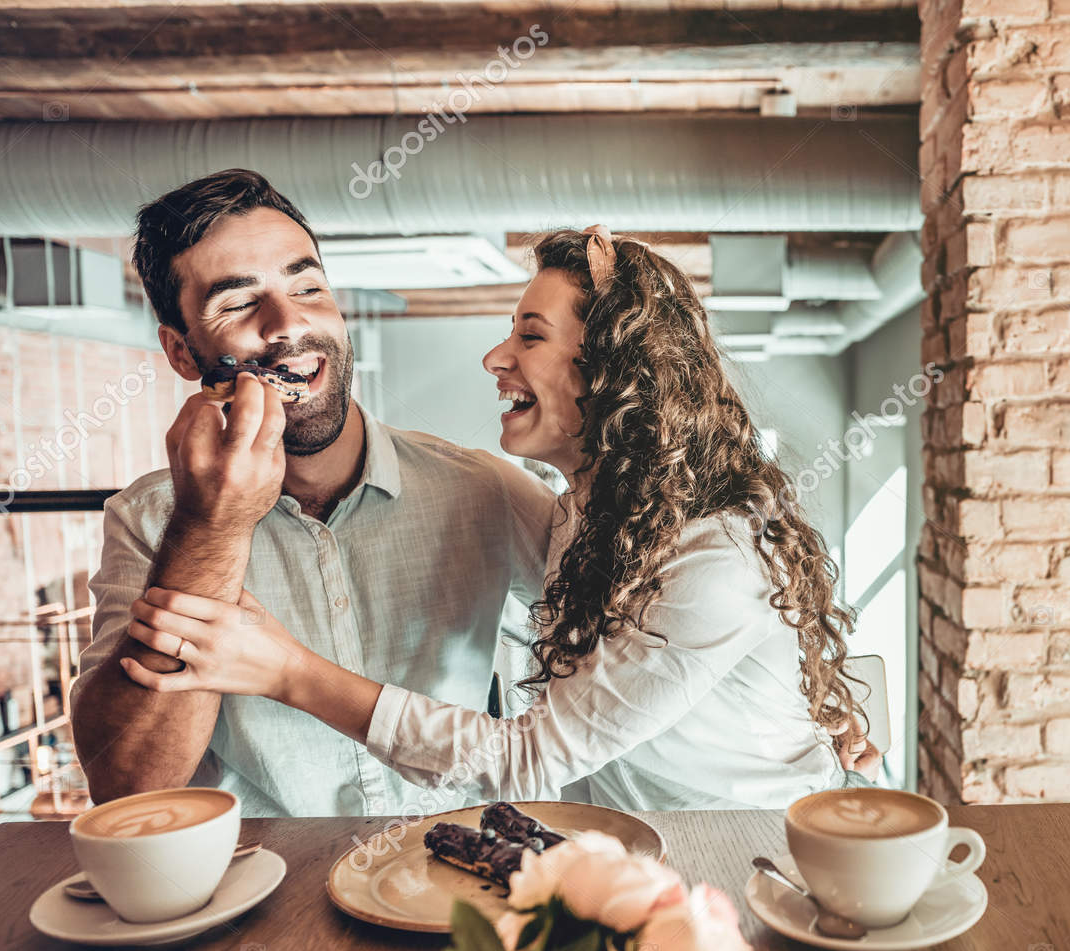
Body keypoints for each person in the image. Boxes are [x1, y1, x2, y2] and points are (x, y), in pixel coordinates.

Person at [120, 226, 881, 810]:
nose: (494, 357)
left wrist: (286, 670)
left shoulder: (712, 554)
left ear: (612, 368)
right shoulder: (581, 512)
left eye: (530, 335)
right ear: (183, 350)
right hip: (635, 862)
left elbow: (530, 758)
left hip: (754, 859)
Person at [69, 169, 557, 816]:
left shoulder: (485, 490)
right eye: (240, 303)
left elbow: (629, 644)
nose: (289, 322)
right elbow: (129, 788)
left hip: (451, 879)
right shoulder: (150, 519)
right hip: (262, 898)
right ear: (183, 354)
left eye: (309, 287)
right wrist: (211, 526)